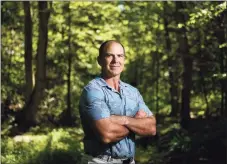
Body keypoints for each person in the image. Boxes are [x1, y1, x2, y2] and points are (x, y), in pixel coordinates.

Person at [79, 40, 156, 164]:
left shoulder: (132, 92)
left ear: (124, 60)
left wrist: (123, 120)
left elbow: (151, 128)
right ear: (99, 60)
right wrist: (136, 123)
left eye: (120, 56)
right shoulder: (93, 91)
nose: (116, 60)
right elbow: (107, 134)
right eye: (109, 55)